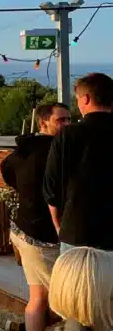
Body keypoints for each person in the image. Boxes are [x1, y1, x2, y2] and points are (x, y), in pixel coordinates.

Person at [1, 102, 71, 331]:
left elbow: (6, 167)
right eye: (61, 121)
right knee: (67, 300)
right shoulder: (55, 153)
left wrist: (25, 192)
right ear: (44, 122)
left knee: (39, 297)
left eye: (69, 120)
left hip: (24, 230)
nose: (67, 125)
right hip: (42, 235)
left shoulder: (24, 149)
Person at [44, 73, 113, 252]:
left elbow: (51, 187)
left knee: (74, 281)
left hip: (77, 231)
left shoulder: (68, 135)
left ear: (86, 99)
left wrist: (60, 226)